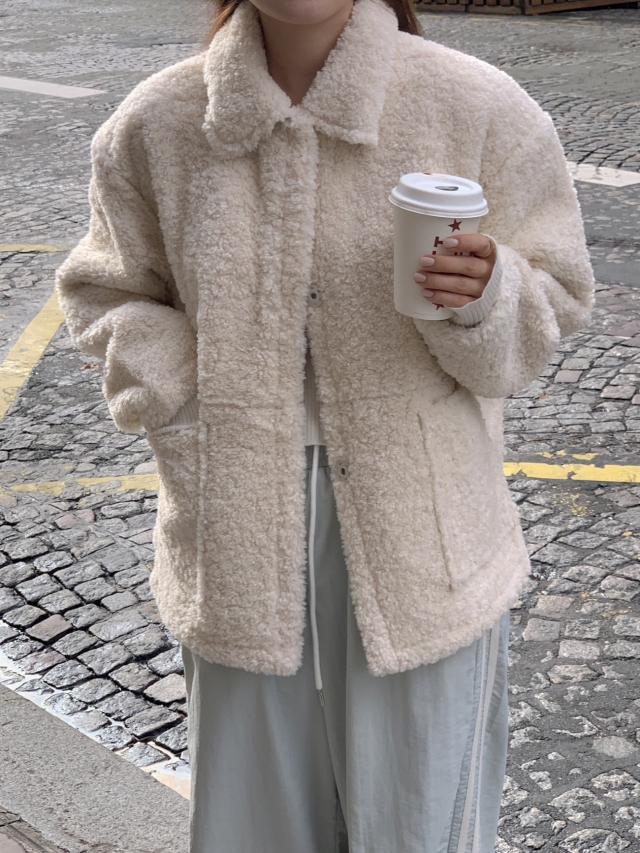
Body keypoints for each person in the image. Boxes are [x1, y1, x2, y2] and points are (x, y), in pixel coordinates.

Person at [56, 0, 594, 849]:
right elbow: (105, 290)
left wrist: (489, 294)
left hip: (425, 541)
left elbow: (555, 296)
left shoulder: (477, 107)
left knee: (420, 824)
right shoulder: (158, 124)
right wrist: (186, 394)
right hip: (232, 528)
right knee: (250, 827)